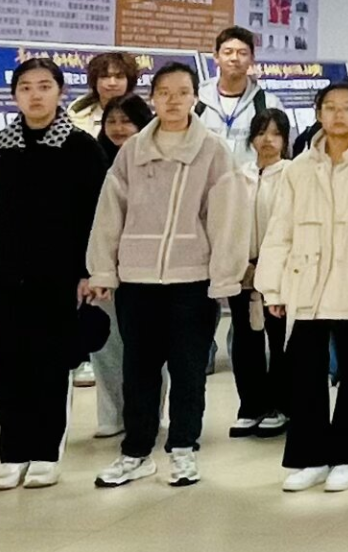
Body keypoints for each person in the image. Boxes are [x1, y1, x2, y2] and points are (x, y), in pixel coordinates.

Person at [85, 61, 247, 488]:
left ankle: (183, 448)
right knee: (138, 370)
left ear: (195, 97)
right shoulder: (133, 151)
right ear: (153, 98)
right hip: (137, 280)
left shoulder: (212, 151)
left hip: (190, 280)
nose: (173, 101)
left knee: (188, 370)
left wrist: (225, 276)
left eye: (182, 92)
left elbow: (228, 217)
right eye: (164, 93)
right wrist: (103, 269)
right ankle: (136, 452)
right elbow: (109, 215)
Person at [254, 82, 348, 494]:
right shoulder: (299, 167)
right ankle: (311, 457)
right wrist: (274, 288)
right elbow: (280, 229)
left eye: (347, 107)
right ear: (318, 114)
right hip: (307, 282)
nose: (338, 115)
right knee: (304, 374)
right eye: (330, 107)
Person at [0, 58, 109, 490]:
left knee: (48, 365)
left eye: (44, 86)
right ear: (14, 95)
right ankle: (12, 453)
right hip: (0, 277)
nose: (35, 95)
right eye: (26, 88)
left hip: (56, 278)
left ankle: (45, 453)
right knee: (6, 366)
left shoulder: (81, 148)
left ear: (60, 92)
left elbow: (95, 216)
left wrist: (88, 271)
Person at [87, 94, 153, 438]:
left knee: (147, 347)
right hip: (103, 267)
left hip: (145, 267)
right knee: (107, 345)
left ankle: (149, 413)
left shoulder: (153, 158)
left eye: (126, 121)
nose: (118, 128)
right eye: (111, 121)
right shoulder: (93, 158)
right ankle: (111, 414)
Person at [229, 109, 292, 442]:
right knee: (245, 339)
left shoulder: (292, 174)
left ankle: (280, 405)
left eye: (276, 133)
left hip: (279, 270)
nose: (268, 140)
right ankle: (250, 405)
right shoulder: (239, 175)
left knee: (279, 340)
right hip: (242, 270)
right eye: (261, 132)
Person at [197, 26, 282, 170]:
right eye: (228, 52)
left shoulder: (268, 104)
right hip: (203, 182)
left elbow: (282, 151)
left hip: (251, 182)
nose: (234, 58)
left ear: (252, 59)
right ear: (216, 57)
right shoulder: (196, 102)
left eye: (242, 53)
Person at [67, 51, 138, 136]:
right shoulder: (75, 114)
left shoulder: (142, 116)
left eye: (119, 77)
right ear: (95, 81)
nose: (112, 83)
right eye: (105, 77)